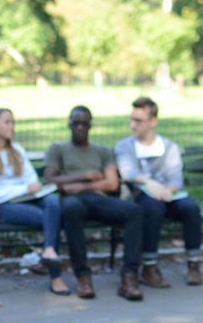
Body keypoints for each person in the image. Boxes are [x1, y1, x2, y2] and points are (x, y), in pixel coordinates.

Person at [44, 106, 144, 301]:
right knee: (71, 208)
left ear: (90, 126)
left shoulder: (102, 151)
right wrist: (88, 176)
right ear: (69, 124)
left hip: (99, 200)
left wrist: (76, 185)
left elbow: (112, 182)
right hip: (73, 203)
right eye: (76, 123)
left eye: (84, 123)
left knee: (134, 211)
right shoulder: (58, 149)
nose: (80, 127)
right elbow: (49, 180)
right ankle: (83, 276)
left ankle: (129, 277)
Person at [0, 108, 70, 296]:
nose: (11, 127)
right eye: (7, 122)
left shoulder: (17, 151)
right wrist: (24, 189)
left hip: (29, 199)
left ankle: (48, 251)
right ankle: (55, 277)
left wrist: (31, 189)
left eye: (13, 122)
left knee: (53, 201)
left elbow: (32, 180)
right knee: (50, 218)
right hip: (2, 207)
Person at [114, 96, 203, 288]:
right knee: (153, 208)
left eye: (138, 120)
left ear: (153, 121)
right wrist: (150, 184)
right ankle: (149, 266)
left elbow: (175, 179)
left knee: (190, 208)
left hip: (167, 195)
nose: (132, 125)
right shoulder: (124, 146)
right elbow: (128, 173)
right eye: (131, 119)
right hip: (138, 198)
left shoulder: (169, 147)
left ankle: (194, 264)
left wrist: (164, 191)